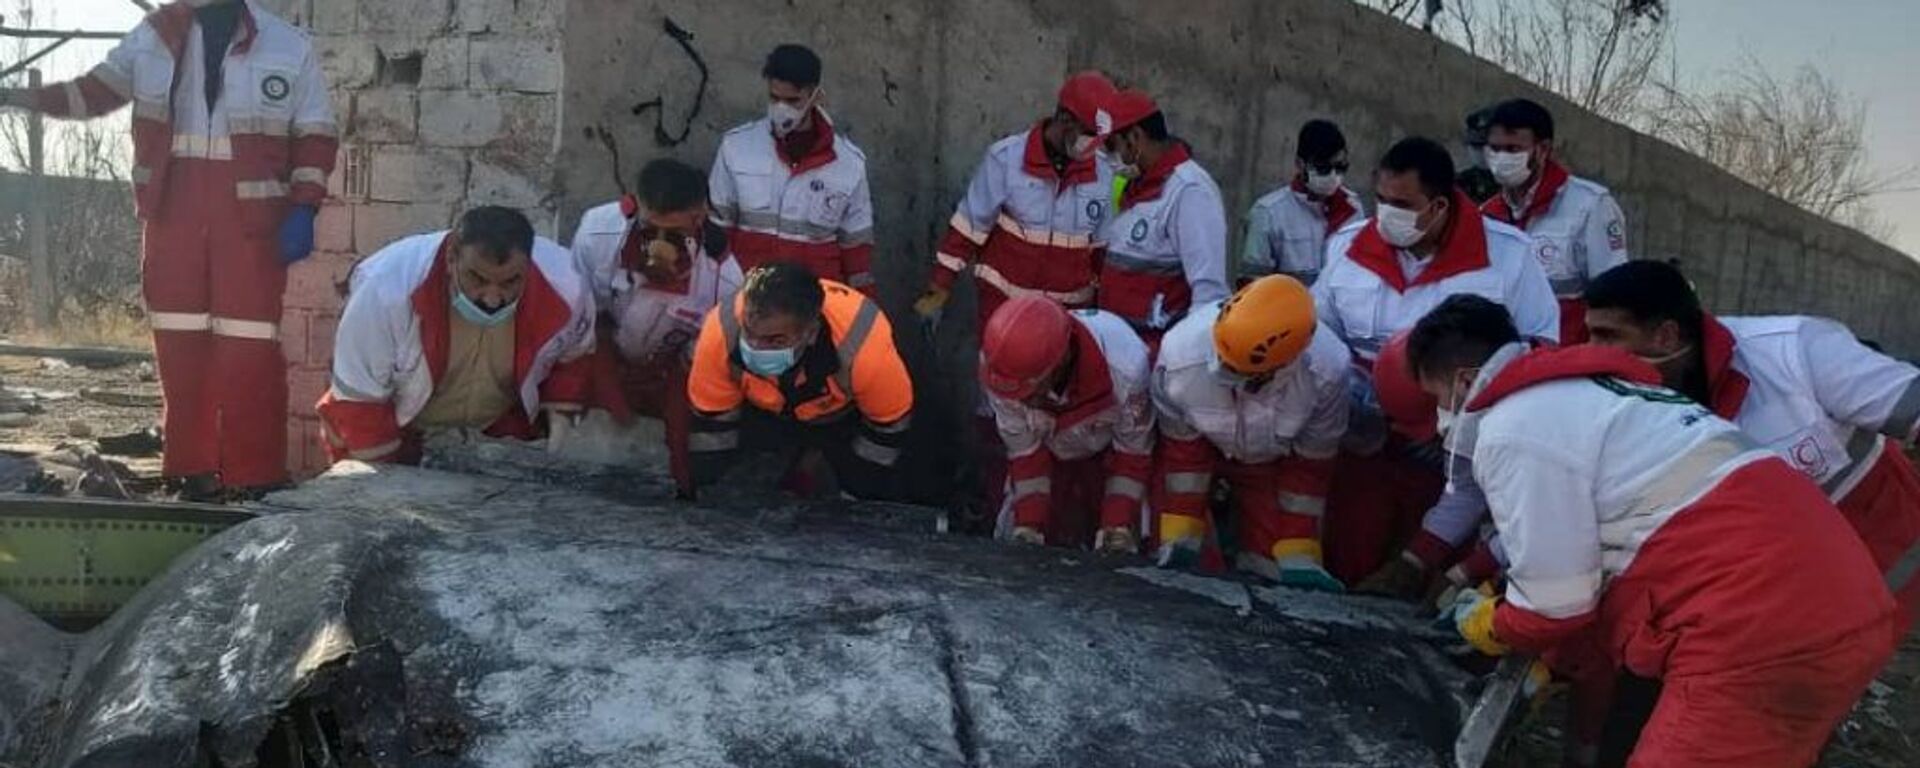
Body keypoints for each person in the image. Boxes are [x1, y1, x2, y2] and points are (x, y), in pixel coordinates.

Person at [1412, 294, 1894, 767]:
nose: (1439, 419)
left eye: (1436, 399)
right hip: (1836, 604)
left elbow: (1552, 607)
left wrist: (1486, 622)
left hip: (1761, 624)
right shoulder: (1601, 397)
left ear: (1466, 381)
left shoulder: (1513, 427)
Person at [0, 0, 336, 499]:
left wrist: (305, 205)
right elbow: (92, 93)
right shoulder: (154, 35)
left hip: (249, 225)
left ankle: (255, 476)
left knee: (250, 354)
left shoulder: (288, 46)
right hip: (172, 211)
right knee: (180, 350)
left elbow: (315, 134)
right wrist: (17, 96)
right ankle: (191, 472)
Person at [1584, 260, 1920, 634]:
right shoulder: (1629, 408)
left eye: (1608, 336)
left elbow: (1911, 407)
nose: (1593, 352)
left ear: (1665, 335)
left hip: (1885, 549)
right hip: (1774, 584)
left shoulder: (1793, 349)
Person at [1311, 136, 1558, 584]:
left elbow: (1538, 350)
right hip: (1362, 441)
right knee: (1347, 557)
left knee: (1430, 568)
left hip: (1450, 449)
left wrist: (1466, 424)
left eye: (1402, 204)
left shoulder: (1507, 256)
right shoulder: (1347, 247)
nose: (1387, 214)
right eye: (1381, 199)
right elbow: (1319, 338)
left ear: (1440, 206)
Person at [318, 207, 594, 464]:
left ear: (529, 266)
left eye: (511, 282)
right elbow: (360, 406)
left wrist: (558, 444)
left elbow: (572, 360)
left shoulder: (568, 285)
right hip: (391, 429)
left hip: (498, 432)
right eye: (477, 279)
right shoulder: (384, 292)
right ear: (451, 258)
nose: (493, 298)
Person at [1151, 276, 1349, 589]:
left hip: (1274, 463)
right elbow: (1182, 453)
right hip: (1202, 449)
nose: (1224, 373)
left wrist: (1297, 546)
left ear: (1284, 362)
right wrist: (1181, 532)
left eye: (1239, 372)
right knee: (1180, 565)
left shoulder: (1328, 370)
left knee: (1275, 569)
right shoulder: (1179, 357)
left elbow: (1310, 466)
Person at [570, 158, 744, 496]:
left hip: (674, 370)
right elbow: (580, 311)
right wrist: (606, 377)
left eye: (676, 233)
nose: (660, 243)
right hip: (603, 351)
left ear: (699, 218)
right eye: (650, 229)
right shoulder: (597, 232)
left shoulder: (726, 279)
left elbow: (701, 357)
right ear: (635, 208)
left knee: (702, 452)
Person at [686, 263, 911, 500]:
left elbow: (888, 427)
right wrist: (710, 496)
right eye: (749, 334)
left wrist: (857, 496)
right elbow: (711, 425)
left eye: (774, 341)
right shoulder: (721, 332)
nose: (754, 347)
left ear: (811, 333)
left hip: (846, 415)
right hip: (762, 410)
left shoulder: (864, 351)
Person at [915, 71, 1118, 326]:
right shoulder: (1006, 160)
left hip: (1066, 325)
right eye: (1089, 136)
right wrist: (935, 296)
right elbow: (965, 233)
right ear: (1065, 119)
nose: (1093, 147)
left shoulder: (1102, 174)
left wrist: (1107, 319)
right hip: (1004, 316)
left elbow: (1103, 254)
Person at [978, 296, 1153, 551]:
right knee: (1015, 540)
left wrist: (1118, 523)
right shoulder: (1002, 371)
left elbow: (1132, 453)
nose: (1022, 401)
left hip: (1109, 456)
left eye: (1030, 391)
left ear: (1059, 363)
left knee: (1125, 546)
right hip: (1048, 454)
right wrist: (1029, 525)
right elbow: (1026, 454)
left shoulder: (1126, 367)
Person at [708, 44, 876, 293]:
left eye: (792, 100)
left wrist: (859, 315)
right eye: (774, 98)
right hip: (748, 299)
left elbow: (857, 256)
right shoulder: (738, 148)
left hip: (813, 306)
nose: (781, 108)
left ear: (816, 96)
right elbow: (716, 236)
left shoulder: (848, 166)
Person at [1480, 98, 1629, 344]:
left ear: (1544, 149)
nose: (1501, 158)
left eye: (1513, 149)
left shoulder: (1590, 206)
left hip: (1568, 357)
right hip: (1506, 355)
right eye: (1494, 149)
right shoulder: (1487, 214)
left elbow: (1614, 293)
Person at [1096, 89, 1230, 347]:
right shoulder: (1138, 187)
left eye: (1112, 146)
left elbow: (1209, 294)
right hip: (1121, 350)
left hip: (1157, 355)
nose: (1109, 158)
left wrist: (1182, 360)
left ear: (1135, 137)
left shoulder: (1189, 191)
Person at [1239, 119, 1365, 286]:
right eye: (1323, 167)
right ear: (1300, 164)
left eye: (1340, 167)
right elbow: (1252, 287)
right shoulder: (1269, 213)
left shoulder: (1353, 209)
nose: (1333, 175)